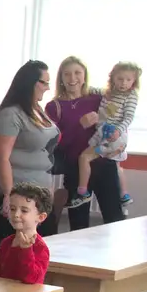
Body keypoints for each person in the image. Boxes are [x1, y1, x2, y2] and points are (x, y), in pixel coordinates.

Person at [0, 61, 59, 246]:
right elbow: (2, 158)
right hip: (15, 191)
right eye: (44, 83)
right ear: (30, 82)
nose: (48, 88)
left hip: (37, 191)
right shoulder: (10, 115)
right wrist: (9, 195)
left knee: (41, 243)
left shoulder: (36, 110)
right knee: (14, 244)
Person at [71, 62, 140, 215]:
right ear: (113, 78)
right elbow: (93, 89)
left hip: (113, 136)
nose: (124, 83)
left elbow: (128, 117)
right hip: (102, 133)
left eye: (128, 80)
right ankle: (124, 195)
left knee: (84, 157)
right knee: (116, 164)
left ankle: (82, 191)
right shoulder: (109, 93)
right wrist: (80, 84)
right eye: (120, 79)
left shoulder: (131, 96)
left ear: (134, 81)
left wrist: (118, 131)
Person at [45, 56, 100, 233]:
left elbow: (117, 120)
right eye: (67, 74)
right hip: (74, 167)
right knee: (78, 220)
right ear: (60, 78)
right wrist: (79, 126)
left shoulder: (96, 100)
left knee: (113, 216)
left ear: (85, 76)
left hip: (101, 162)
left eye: (77, 73)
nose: (72, 78)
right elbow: (54, 143)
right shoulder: (54, 106)